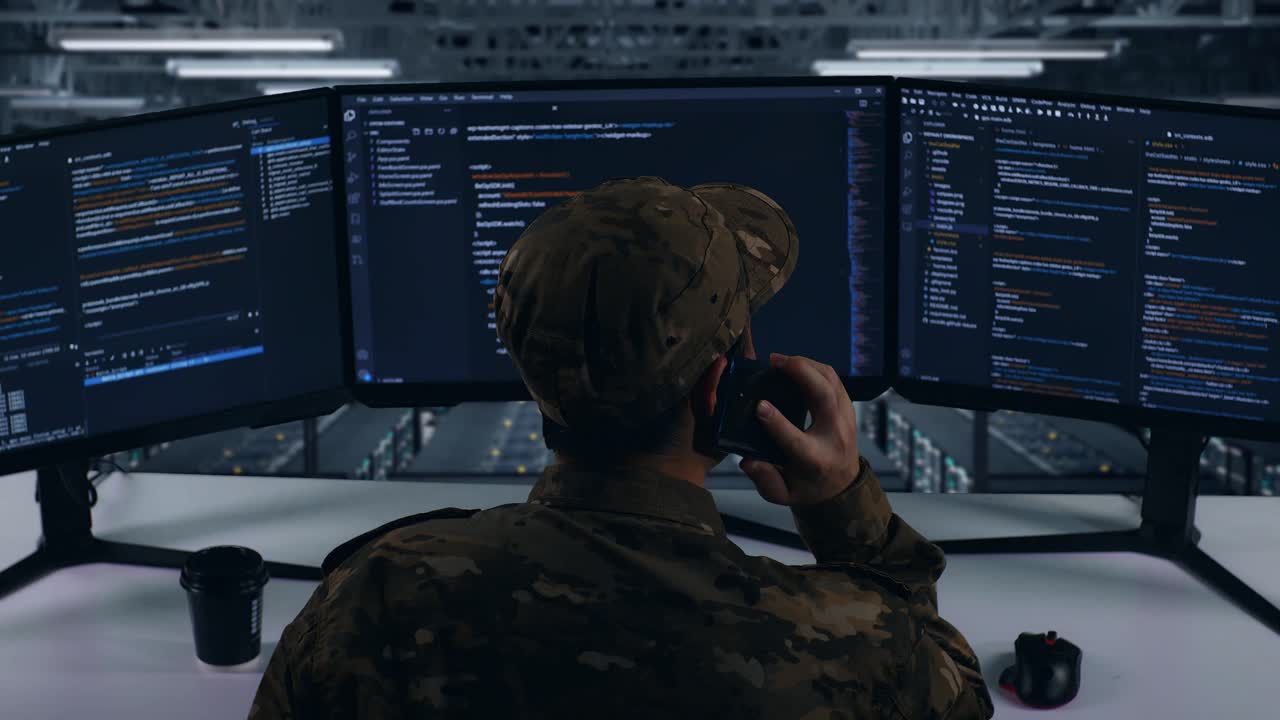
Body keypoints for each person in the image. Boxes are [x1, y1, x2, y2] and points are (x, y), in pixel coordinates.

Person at [250, 177, 994, 719]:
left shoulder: (371, 597)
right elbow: (957, 692)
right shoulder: (852, 643)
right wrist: (844, 509)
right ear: (722, 389)